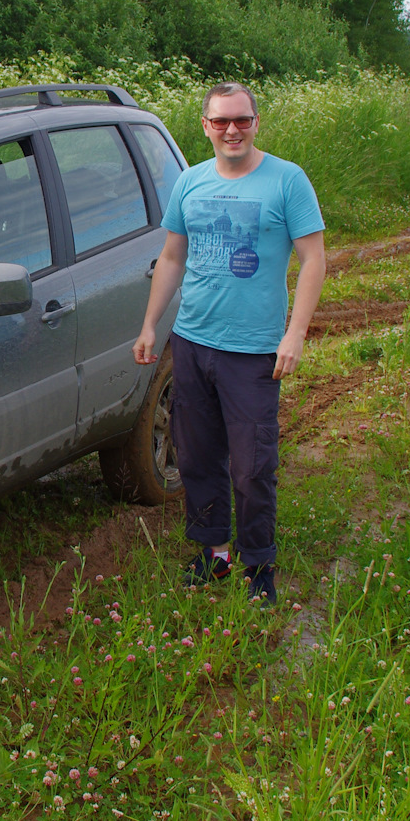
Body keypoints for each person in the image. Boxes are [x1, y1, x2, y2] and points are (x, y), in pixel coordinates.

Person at [132, 83, 326, 603]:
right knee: (196, 456)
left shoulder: (287, 181)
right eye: (221, 122)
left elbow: (314, 259)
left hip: (254, 349)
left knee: (253, 464)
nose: (231, 130)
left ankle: (259, 563)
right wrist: (152, 324)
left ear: (256, 122)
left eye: (241, 120)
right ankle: (214, 556)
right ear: (206, 126)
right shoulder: (190, 183)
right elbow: (172, 257)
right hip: (193, 342)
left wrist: (296, 333)